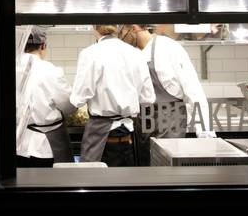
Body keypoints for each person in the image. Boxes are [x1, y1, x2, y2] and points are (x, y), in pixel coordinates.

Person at [119, 24, 215, 167]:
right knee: (146, 169)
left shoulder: (168, 47)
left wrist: (204, 132)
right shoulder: (132, 53)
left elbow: (192, 89)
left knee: (168, 168)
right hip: (144, 120)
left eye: (122, 34)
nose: (122, 39)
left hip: (170, 117)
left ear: (134, 28)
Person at [70, 24, 155, 166]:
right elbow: (148, 98)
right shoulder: (136, 53)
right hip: (128, 136)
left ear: (94, 27)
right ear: (118, 28)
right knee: (126, 185)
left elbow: (78, 99)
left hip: (100, 138)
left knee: (95, 184)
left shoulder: (89, 53)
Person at [15, 26, 75, 168]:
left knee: (22, 186)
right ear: (43, 46)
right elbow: (68, 104)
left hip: (19, 144)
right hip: (48, 145)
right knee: (53, 184)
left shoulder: (9, 68)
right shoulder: (50, 70)